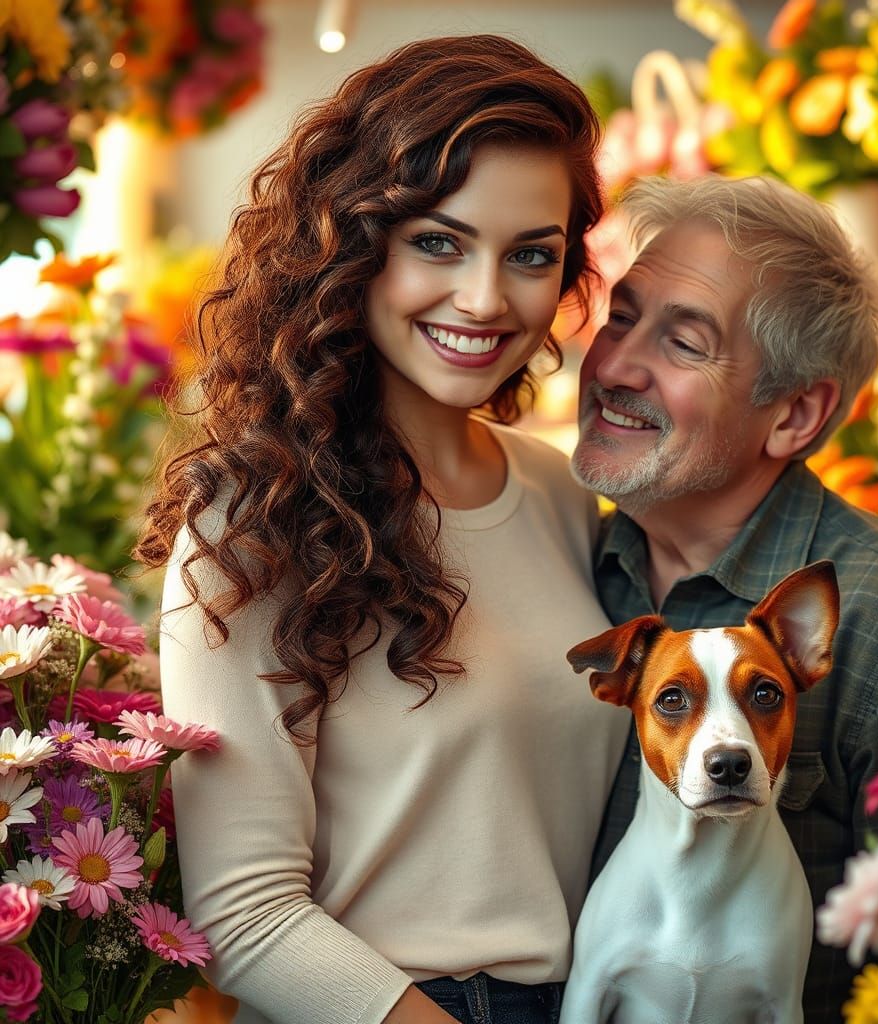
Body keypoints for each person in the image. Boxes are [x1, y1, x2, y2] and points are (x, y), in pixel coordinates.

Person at [137, 35, 631, 1024]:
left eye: (530, 254)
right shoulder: (252, 516)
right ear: (352, 245)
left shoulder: (567, 498)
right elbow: (241, 912)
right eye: (439, 242)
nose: (487, 299)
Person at [571, 174, 878, 1024]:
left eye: (684, 343)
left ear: (796, 414)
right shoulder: (569, 558)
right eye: (621, 316)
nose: (612, 365)